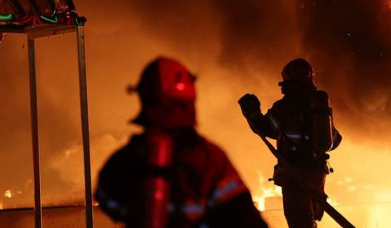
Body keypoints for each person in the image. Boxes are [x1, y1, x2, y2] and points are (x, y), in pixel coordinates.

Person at [96, 57, 268, 228]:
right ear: (189, 100)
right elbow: (246, 217)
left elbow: (106, 200)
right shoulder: (210, 158)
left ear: (144, 100)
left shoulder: (126, 157)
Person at [238, 58, 342, 228]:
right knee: (309, 218)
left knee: (299, 220)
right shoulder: (318, 106)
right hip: (317, 172)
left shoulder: (283, 107)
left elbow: (265, 129)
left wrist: (252, 112)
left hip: (294, 173)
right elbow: (335, 140)